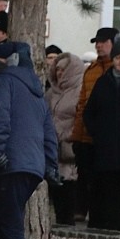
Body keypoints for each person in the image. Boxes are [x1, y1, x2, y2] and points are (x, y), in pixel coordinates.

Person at [0, 41, 58, 239]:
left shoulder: (3, 82)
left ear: (7, 61)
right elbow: (49, 131)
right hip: (32, 165)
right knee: (11, 218)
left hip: (11, 163)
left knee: (10, 221)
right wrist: (50, 165)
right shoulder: (36, 90)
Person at [82, 34, 120, 232]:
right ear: (113, 59)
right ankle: (111, 227)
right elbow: (89, 112)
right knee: (108, 190)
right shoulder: (103, 82)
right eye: (118, 57)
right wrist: (98, 134)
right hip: (106, 150)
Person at [70, 27, 117, 226]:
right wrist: (78, 135)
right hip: (87, 136)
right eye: (96, 42)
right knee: (84, 175)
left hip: (109, 137)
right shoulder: (91, 70)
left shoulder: (119, 69)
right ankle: (82, 212)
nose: (98, 45)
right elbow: (82, 105)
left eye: (103, 41)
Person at [45, 51, 85, 226]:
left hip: (70, 151)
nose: (60, 73)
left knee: (68, 198)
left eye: (64, 70)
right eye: (57, 70)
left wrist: (67, 136)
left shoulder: (80, 90)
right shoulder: (51, 92)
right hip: (52, 151)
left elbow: (81, 118)